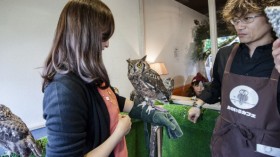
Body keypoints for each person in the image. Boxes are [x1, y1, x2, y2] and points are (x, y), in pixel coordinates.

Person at [41, 0, 182, 157]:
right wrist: (119, 133)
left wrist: (151, 112)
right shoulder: (63, 91)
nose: (107, 44)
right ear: (84, 36)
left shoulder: (87, 75)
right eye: (104, 37)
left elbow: (113, 99)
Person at [187, 0, 280, 156]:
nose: (239, 26)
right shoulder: (225, 55)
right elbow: (217, 86)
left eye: (247, 18)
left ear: (270, 17)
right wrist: (198, 104)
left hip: (265, 147)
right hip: (226, 142)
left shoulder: (277, 57)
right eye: (235, 20)